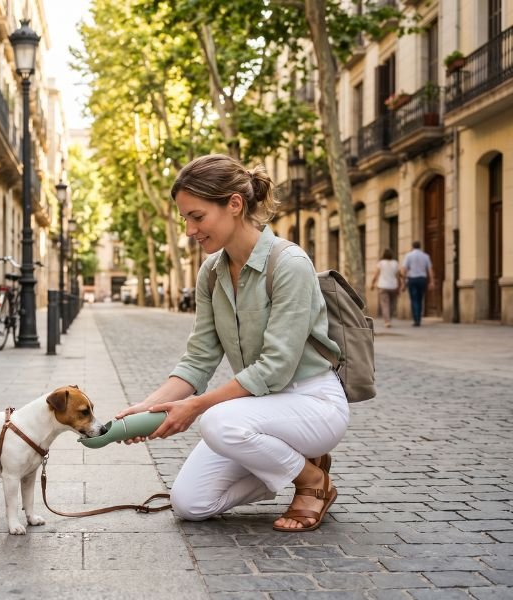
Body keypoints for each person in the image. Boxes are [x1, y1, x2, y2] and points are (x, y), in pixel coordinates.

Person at [116, 154, 349, 531]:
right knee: (190, 503)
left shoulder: (289, 263)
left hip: (312, 402)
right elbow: (198, 360)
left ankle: (312, 482)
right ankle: (296, 462)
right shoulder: (211, 273)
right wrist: (148, 407)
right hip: (257, 413)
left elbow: (276, 368)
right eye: (185, 219)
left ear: (235, 204)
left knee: (217, 420)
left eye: (197, 216)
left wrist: (194, 407)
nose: (189, 230)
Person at [400, 241, 434, 326]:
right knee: (420, 299)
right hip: (422, 279)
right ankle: (419, 317)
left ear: (412, 247)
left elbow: (404, 270)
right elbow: (430, 270)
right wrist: (431, 281)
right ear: (420, 246)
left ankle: (416, 319)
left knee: (414, 299)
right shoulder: (426, 256)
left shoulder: (408, 256)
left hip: (412, 279)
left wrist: (403, 282)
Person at [370, 248, 403, 327]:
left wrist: (372, 284)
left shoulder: (381, 263)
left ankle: (387, 321)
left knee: (385, 304)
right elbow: (398, 276)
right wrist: (399, 286)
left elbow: (376, 275)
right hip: (393, 286)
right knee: (392, 304)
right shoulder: (395, 263)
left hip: (383, 286)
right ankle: (389, 319)